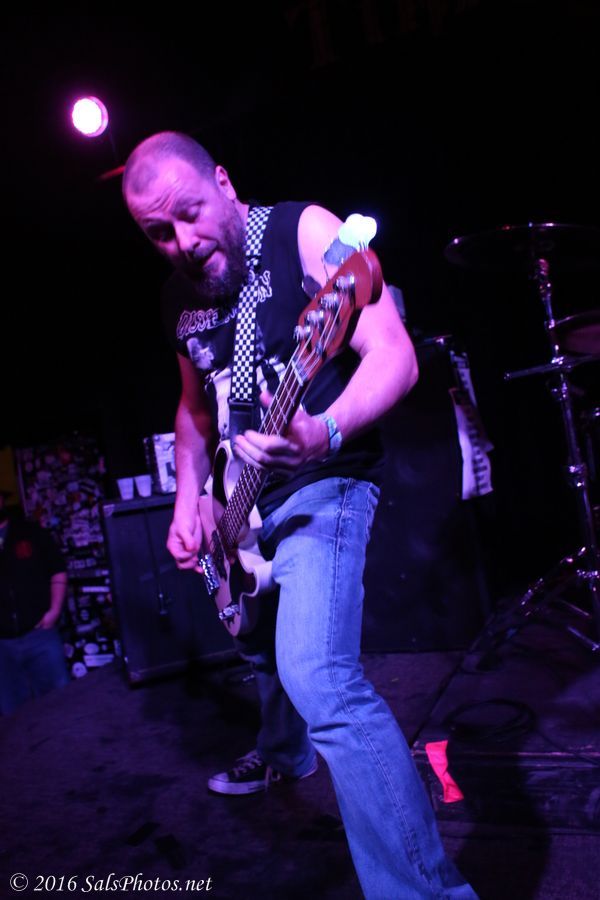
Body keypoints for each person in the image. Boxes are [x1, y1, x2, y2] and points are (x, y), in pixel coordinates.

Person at [122, 131, 478, 899]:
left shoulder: (304, 231)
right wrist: (189, 501)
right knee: (258, 644)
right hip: (241, 504)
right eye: (158, 232)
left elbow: (394, 354)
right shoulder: (178, 299)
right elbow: (193, 411)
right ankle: (286, 754)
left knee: (316, 673)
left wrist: (326, 432)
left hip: (323, 480)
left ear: (223, 181)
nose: (182, 242)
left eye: (189, 212)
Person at [0, 491, 70, 714]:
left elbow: (58, 570)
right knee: (12, 719)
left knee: (60, 707)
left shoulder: (30, 532)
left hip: (40, 635)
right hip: (2, 647)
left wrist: (54, 611)